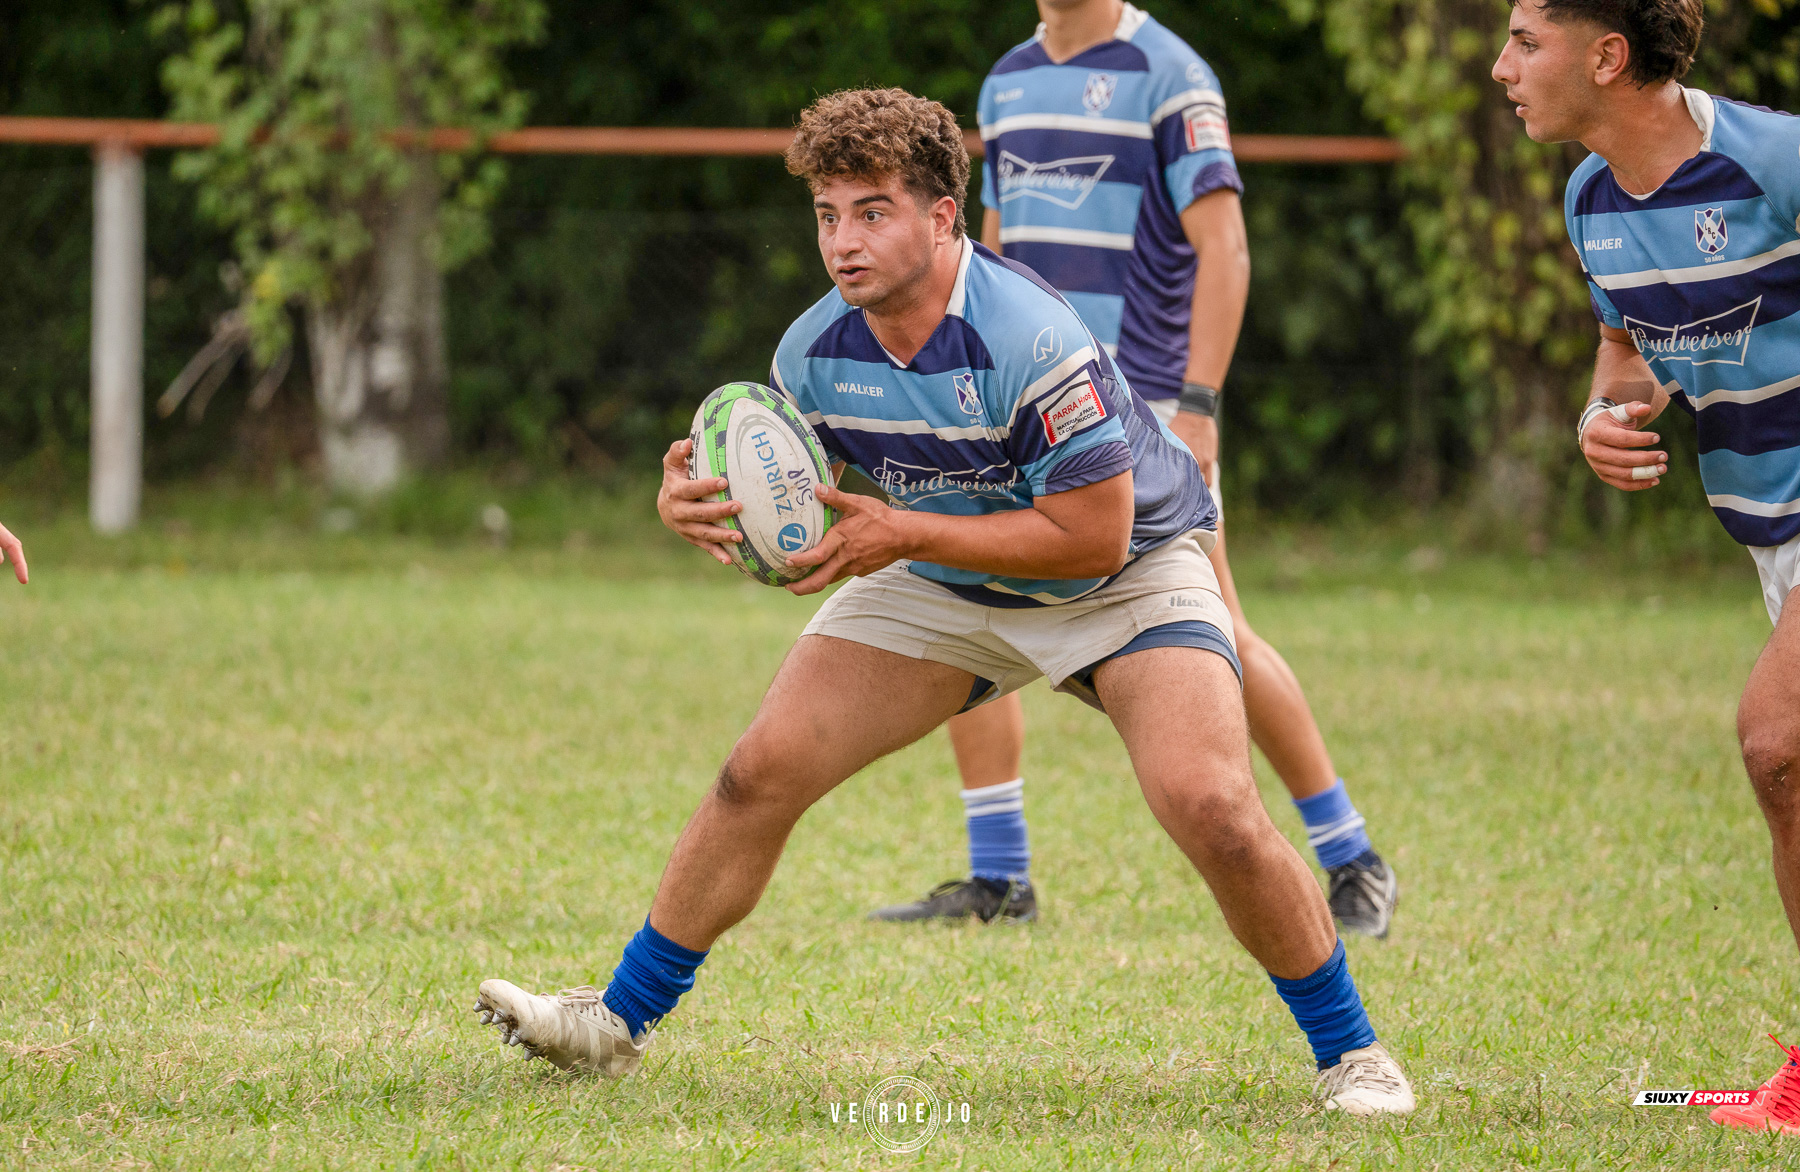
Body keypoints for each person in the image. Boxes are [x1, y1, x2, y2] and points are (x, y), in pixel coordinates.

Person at [471, 87, 1415, 1113]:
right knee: (758, 771)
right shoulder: (812, 352)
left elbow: (1089, 535)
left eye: (872, 210)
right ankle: (612, 1022)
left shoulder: (1030, 337)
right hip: (946, 573)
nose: (843, 240)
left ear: (942, 216)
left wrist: (904, 532)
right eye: (828, 213)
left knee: (1214, 808)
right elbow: (787, 494)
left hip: (1125, 573)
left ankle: (1353, 1052)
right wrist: (697, 499)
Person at [866, 0, 1400, 938]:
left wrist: (1200, 403)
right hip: (1014, 409)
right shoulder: (1008, 77)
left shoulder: (1172, 74)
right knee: (960, 589)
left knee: (1222, 631)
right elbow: (979, 258)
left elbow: (1224, 247)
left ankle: (1352, 854)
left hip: (1141, 412)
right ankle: (999, 877)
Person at [1494, 0, 1800, 1133]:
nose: (1501, 66)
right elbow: (1628, 349)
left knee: (1778, 744)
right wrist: (1600, 415)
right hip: (1768, 530)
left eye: (1526, 42)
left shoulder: (1776, 160)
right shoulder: (1591, 201)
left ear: (1607, 57)